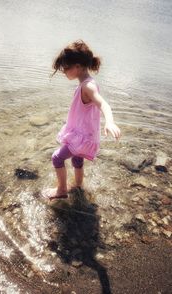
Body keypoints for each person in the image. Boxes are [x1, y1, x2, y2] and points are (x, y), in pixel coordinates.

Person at [41, 40, 121, 200]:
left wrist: (110, 122)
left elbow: (103, 103)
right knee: (77, 159)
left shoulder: (88, 86)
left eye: (66, 68)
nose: (64, 72)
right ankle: (78, 186)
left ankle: (61, 190)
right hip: (83, 135)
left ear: (77, 66)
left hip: (82, 137)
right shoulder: (86, 84)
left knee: (57, 158)